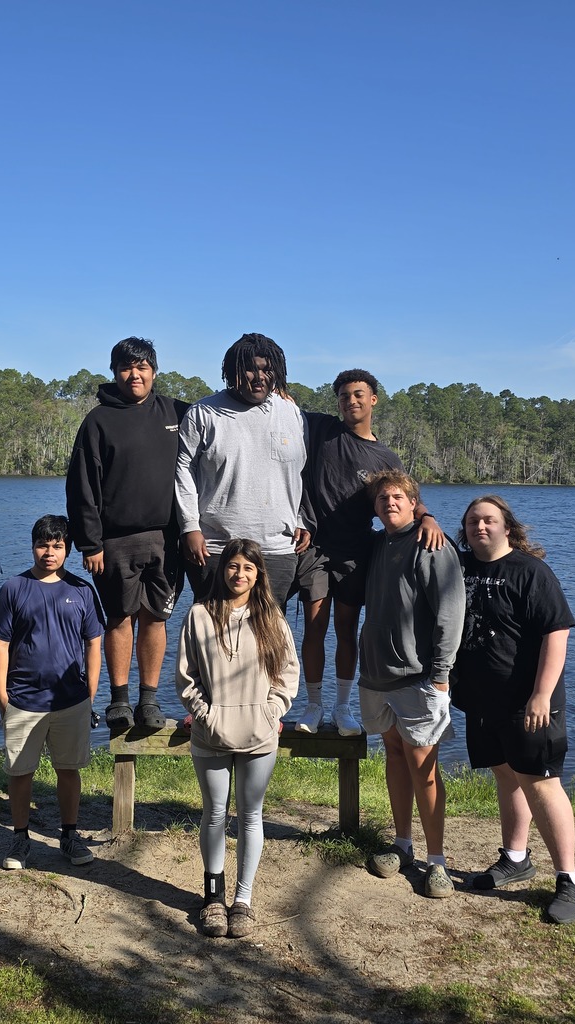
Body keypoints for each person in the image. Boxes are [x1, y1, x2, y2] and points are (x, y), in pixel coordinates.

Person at [452, 496, 575, 924]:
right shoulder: (460, 567)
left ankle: (569, 879)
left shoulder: (530, 571)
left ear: (507, 527)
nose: (480, 526)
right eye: (472, 521)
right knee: (506, 775)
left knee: (541, 783)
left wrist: (542, 694)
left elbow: (556, 632)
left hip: (529, 701)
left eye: (489, 520)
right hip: (482, 699)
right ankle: (515, 857)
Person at [294, 370, 443, 737]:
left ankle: (343, 708)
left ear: (373, 399)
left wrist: (427, 517)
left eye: (358, 395)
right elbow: (283, 403)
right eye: (344, 396)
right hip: (314, 547)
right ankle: (314, 706)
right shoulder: (322, 428)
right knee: (314, 627)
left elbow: (408, 497)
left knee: (347, 629)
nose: (351, 401)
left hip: (355, 552)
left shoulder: (384, 457)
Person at [176, 539, 300, 938]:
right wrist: (205, 714)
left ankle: (243, 900)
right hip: (210, 734)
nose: (239, 574)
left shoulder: (271, 618)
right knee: (214, 813)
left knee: (251, 815)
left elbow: (287, 673)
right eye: (233, 566)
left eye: (248, 568)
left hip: (259, 735)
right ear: (222, 569)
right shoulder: (199, 615)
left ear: (258, 574)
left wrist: (272, 711)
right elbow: (186, 676)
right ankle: (213, 898)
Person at [66, 337, 189, 730]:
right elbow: (82, 486)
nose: (134, 375)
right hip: (114, 541)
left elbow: (222, 416)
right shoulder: (98, 421)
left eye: (142, 367)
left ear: (154, 371)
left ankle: (148, 700)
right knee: (119, 618)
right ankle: (119, 699)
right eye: (125, 367)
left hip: (167, 539)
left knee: (156, 617)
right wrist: (90, 543)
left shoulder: (176, 412)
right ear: (115, 372)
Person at [358, 470, 465, 898]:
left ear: (414, 503)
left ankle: (437, 861)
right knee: (395, 754)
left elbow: (450, 614)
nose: (390, 503)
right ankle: (403, 844)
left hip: (419, 677)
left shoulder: (432, 544)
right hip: (376, 675)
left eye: (398, 497)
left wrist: (441, 676)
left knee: (425, 767)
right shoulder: (378, 544)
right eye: (383, 498)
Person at [0, 514, 104, 870]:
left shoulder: (82, 590)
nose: (49, 553)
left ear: (67, 549)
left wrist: (90, 694)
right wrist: (2, 698)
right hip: (23, 700)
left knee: (68, 770)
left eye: (57, 546)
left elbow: (94, 644)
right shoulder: (14, 589)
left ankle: (69, 835)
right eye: (42, 545)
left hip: (71, 700)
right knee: (20, 772)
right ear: (32, 546)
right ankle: (20, 838)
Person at [175, 333, 310, 611]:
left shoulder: (293, 414)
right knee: (213, 630)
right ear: (232, 371)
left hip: (277, 549)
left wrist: (302, 518)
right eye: (250, 369)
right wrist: (190, 527)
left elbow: (302, 472)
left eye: (267, 369)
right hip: (214, 548)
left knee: (269, 631)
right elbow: (184, 470)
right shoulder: (203, 413)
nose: (259, 377)